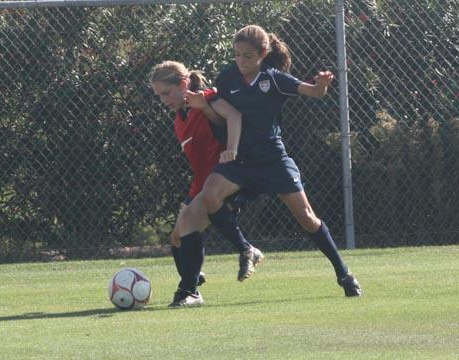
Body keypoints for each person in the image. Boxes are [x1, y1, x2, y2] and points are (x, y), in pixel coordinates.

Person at [200, 25, 361, 297]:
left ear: (263, 54)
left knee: (308, 219)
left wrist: (321, 85)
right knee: (210, 196)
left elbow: (312, 92)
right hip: (240, 159)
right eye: (237, 55)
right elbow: (219, 115)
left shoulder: (273, 78)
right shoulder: (228, 77)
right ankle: (246, 248)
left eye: (248, 56)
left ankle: (344, 274)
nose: (241, 61)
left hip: (273, 159)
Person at [150, 61, 264, 307]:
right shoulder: (180, 118)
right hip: (201, 183)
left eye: (166, 93)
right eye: (158, 95)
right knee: (177, 237)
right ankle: (193, 276)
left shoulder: (207, 99)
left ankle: (189, 291)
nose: (162, 100)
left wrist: (231, 150)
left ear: (183, 84)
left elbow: (233, 116)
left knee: (190, 222)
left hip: (225, 178)